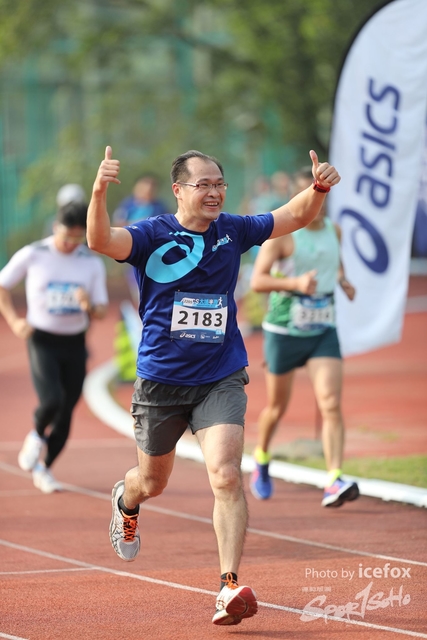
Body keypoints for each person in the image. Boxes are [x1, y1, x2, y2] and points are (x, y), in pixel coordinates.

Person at [87, 146, 340, 626]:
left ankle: (228, 586)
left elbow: (294, 215)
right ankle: (127, 500)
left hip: (219, 374)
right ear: (178, 190)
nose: (214, 192)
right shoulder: (151, 235)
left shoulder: (234, 230)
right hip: (161, 382)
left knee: (225, 475)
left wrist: (319, 187)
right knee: (153, 482)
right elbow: (100, 240)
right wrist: (99, 190)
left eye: (219, 184)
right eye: (203, 184)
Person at [249, 167, 359, 508]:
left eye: (322, 194)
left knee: (330, 403)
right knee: (277, 408)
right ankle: (261, 457)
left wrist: (342, 280)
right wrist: (295, 284)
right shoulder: (282, 237)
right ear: (296, 199)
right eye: (310, 193)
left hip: (323, 330)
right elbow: (257, 281)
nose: (317, 202)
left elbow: (333, 263)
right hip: (284, 331)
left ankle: (334, 478)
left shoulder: (334, 230)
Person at [0, 202, 108, 494]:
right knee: (52, 400)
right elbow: (2, 285)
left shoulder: (91, 263)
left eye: (78, 238)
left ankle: (44, 468)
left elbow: (100, 310)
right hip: (42, 339)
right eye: (67, 236)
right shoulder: (34, 253)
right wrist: (14, 321)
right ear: (55, 227)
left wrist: (88, 305)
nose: (71, 244)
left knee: (66, 410)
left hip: (74, 342)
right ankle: (36, 436)